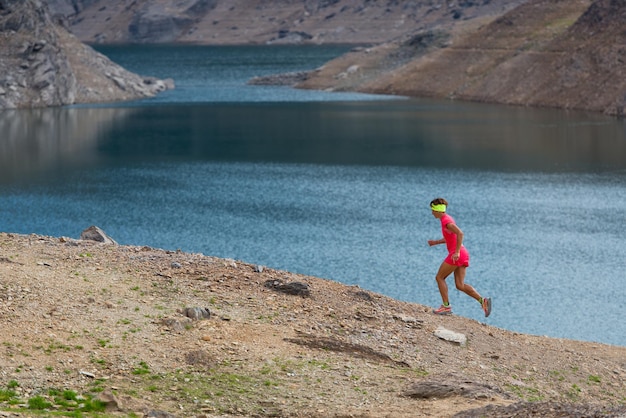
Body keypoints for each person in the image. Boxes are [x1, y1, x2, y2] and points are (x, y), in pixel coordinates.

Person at [427, 197, 491, 317]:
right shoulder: (447, 219)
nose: (432, 213)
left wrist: (456, 252)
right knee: (460, 285)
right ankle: (483, 301)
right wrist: (435, 242)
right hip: (463, 253)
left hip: (457, 254)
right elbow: (451, 238)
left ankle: (446, 307)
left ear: (438, 210)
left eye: (432, 210)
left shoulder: (446, 221)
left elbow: (460, 233)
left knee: (439, 277)